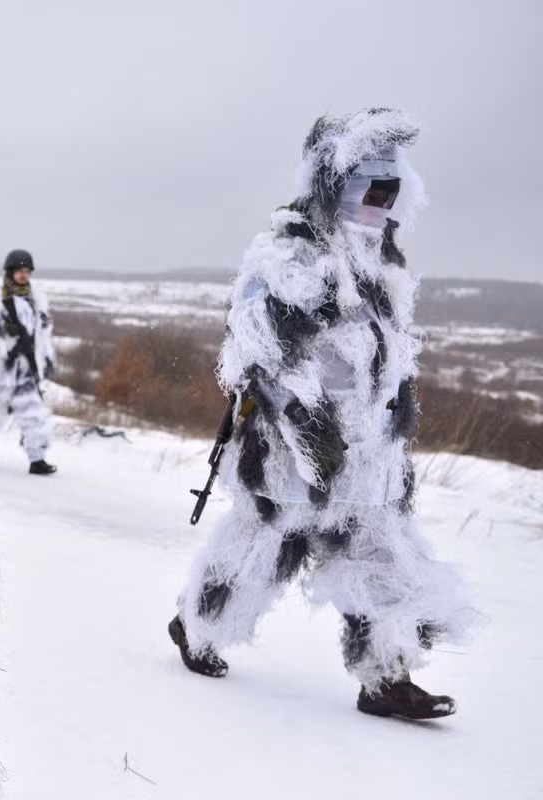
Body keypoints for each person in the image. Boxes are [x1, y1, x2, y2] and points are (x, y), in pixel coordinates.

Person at [168, 108, 477, 720]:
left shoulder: (380, 262)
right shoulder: (292, 255)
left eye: (390, 192)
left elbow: (387, 359)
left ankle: (386, 677)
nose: (380, 204)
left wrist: (394, 431)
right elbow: (257, 352)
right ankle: (197, 628)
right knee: (260, 553)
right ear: (334, 184)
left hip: (369, 464)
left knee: (386, 561)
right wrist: (306, 426)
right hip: (291, 459)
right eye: (371, 189)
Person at [0, 249, 58, 475]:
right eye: (19, 271)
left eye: (27, 271)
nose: (24, 275)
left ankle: (37, 459)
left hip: (25, 371)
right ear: (10, 272)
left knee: (35, 415)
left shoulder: (37, 298)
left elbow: (43, 334)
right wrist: (0, 328)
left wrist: (47, 360)